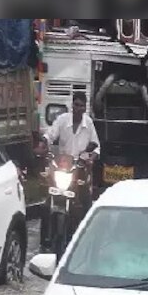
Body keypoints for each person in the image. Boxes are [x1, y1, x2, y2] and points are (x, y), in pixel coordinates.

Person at [40, 91, 100, 251]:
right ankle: (44, 241)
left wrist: (90, 157)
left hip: (79, 168)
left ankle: (85, 238)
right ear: (72, 105)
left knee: (86, 201)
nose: (78, 108)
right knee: (46, 203)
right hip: (62, 167)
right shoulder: (62, 120)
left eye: (81, 105)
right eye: (76, 104)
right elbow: (50, 134)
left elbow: (96, 146)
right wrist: (44, 143)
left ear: (85, 107)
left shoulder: (89, 124)